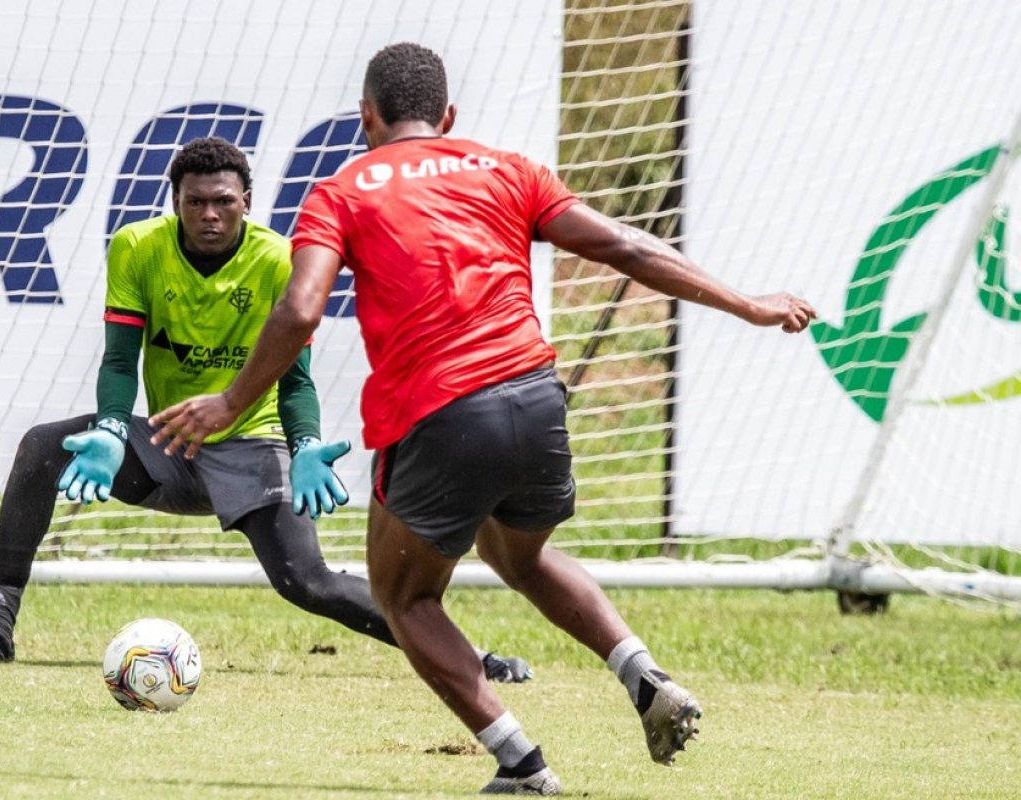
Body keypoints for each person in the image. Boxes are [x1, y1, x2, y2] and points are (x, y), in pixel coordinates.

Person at [148, 46, 816, 796]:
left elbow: (300, 309)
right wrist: (749, 304)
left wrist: (230, 403)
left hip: (438, 414)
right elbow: (624, 246)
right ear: (448, 118)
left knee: (405, 597)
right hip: (536, 399)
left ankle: (522, 765)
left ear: (366, 116)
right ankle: (643, 673)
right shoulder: (507, 168)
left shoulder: (339, 191)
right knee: (521, 557)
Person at [0, 136, 533, 686]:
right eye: (193, 202)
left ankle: (473, 660)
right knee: (41, 447)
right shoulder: (136, 248)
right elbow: (120, 361)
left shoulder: (280, 259)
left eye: (222, 201)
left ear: (245, 201)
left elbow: (295, 379)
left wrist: (304, 447)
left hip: (255, 446)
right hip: (169, 445)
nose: (208, 215)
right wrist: (111, 429)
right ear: (175, 201)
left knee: (307, 582)